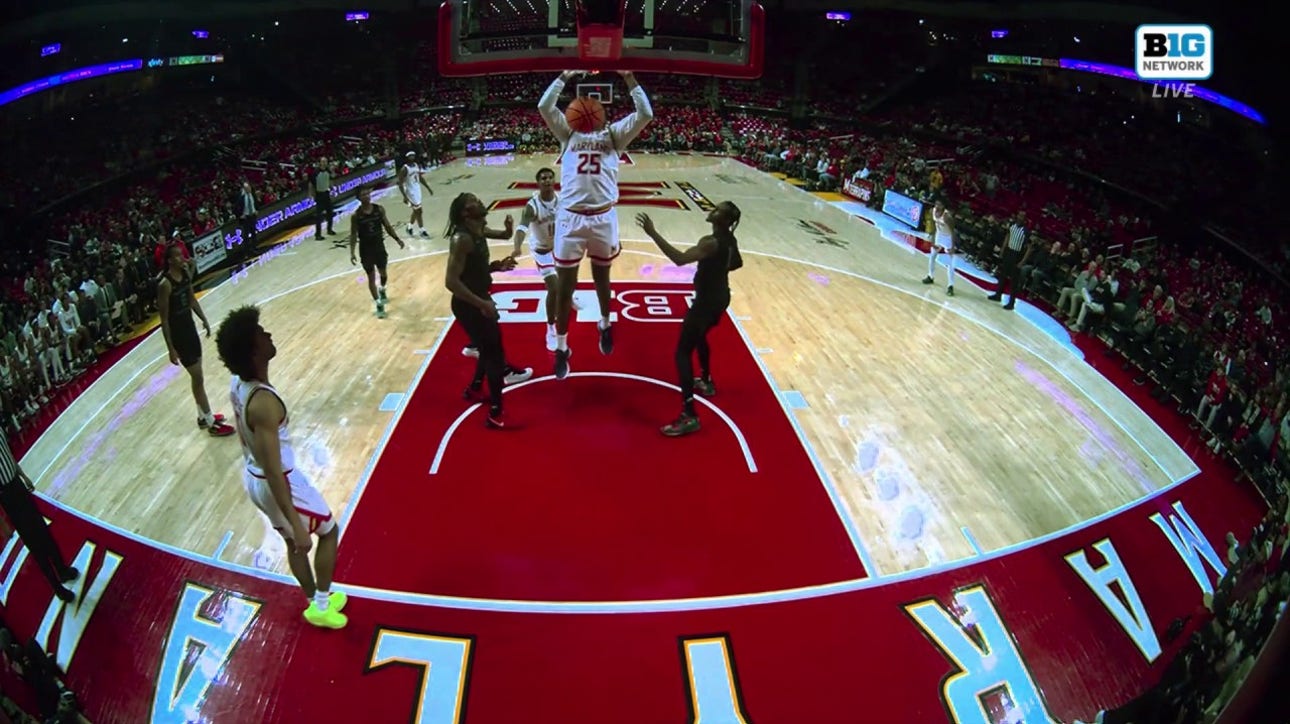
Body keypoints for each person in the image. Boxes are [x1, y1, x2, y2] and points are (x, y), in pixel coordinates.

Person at [215, 305, 348, 629]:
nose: (268, 334)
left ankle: (315, 601)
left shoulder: (238, 383)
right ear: (254, 351)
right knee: (328, 533)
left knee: (293, 543)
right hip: (279, 481)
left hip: (255, 477)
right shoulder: (263, 403)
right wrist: (295, 519)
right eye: (261, 334)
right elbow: (275, 471)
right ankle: (320, 603)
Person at [538, 70, 654, 379]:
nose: (590, 111)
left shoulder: (615, 136)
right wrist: (563, 76)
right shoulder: (567, 135)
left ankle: (605, 323)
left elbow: (646, 113)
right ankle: (562, 348)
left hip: (604, 216)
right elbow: (544, 107)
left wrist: (629, 78)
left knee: (603, 278)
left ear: (603, 114)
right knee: (565, 289)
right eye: (584, 107)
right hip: (571, 218)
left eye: (594, 108)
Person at [635, 202, 743, 437]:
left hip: (706, 302)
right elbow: (737, 263)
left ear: (723, 219)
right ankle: (706, 380)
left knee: (682, 353)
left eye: (717, 210)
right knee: (701, 336)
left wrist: (653, 233)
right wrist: (716, 269)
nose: (712, 210)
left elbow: (679, 259)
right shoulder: (729, 239)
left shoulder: (710, 242)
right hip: (721, 296)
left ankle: (689, 415)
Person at [444, 193, 533, 429]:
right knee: (494, 354)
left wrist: (496, 266)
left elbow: (479, 265)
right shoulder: (461, 239)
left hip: (479, 299)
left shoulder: (478, 229)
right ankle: (496, 412)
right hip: (470, 304)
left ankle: (474, 389)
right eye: (475, 200)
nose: (481, 201)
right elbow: (451, 282)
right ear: (465, 213)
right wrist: (482, 304)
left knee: (488, 347)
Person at [158, 244, 235, 437]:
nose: (182, 258)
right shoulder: (164, 285)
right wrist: (171, 349)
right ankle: (211, 423)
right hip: (179, 336)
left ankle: (202, 416)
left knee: (197, 377)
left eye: (181, 255)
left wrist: (204, 319)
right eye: (177, 256)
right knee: (198, 378)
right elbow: (164, 320)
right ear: (169, 261)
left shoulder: (184, 275)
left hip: (190, 330)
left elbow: (191, 299)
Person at [0, 434, 78, 603]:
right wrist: (3, 524)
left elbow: (9, 457)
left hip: (16, 485)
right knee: (35, 546)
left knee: (43, 531)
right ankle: (57, 588)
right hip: (6, 496)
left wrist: (23, 476)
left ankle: (62, 570)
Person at [512, 167, 566, 351]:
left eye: (550, 177)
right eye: (543, 178)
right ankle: (550, 327)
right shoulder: (532, 206)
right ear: (538, 182)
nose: (548, 180)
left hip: (558, 247)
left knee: (565, 283)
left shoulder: (561, 200)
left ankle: (569, 296)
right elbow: (521, 228)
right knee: (553, 287)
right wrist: (517, 246)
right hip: (541, 251)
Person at [348, 185, 406, 319]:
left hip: (379, 247)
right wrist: (352, 252)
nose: (366, 196)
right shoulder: (356, 215)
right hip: (365, 249)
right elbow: (353, 235)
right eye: (362, 195)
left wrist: (397, 239)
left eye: (367, 193)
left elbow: (387, 226)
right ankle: (378, 303)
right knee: (371, 277)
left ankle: (382, 288)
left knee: (383, 273)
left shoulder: (379, 209)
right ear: (358, 198)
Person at [988, 212, 1028, 310]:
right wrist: (1002, 250)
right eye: (1019, 215)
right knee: (1002, 275)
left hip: (1017, 255)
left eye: (1022, 216)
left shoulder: (1026, 231)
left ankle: (1011, 303)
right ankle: (998, 295)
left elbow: (1029, 248)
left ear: (1025, 219)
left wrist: (1022, 261)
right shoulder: (1012, 226)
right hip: (1008, 252)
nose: (1020, 217)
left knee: (1014, 281)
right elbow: (1007, 237)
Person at [921, 198, 958, 297]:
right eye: (936, 204)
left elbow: (953, 232)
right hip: (939, 235)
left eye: (940, 205)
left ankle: (950, 286)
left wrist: (953, 247)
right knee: (932, 256)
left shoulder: (947, 217)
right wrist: (933, 239)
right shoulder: (932, 211)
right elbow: (934, 225)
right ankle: (930, 276)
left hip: (948, 237)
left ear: (943, 207)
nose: (937, 206)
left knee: (950, 263)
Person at [398, 151, 435, 239]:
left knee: (416, 211)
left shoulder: (415, 165)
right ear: (407, 157)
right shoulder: (404, 169)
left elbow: (420, 178)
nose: (412, 157)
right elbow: (400, 184)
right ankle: (422, 230)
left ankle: (409, 227)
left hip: (417, 190)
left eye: (413, 156)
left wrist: (428, 187)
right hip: (410, 191)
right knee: (419, 210)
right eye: (410, 156)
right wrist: (404, 196)